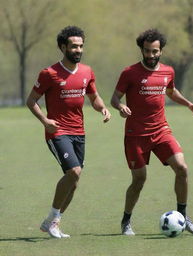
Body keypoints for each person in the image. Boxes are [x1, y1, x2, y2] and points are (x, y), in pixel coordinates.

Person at [111, 29, 193, 236]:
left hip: (161, 131)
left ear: (161, 51)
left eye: (155, 51)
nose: (151, 55)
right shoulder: (129, 73)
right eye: (147, 51)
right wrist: (120, 107)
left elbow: (170, 91)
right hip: (136, 135)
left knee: (182, 168)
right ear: (141, 50)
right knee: (139, 179)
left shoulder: (168, 71)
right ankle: (126, 221)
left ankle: (183, 216)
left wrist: (188, 104)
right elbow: (115, 98)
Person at [26, 26, 111, 238]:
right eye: (74, 46)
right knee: (74, 172)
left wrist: (103, 108)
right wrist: (45, 121)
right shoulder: (49, 74)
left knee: (74, 181)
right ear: (63, 47)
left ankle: (52, 222)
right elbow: (31, 101)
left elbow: (94, 97)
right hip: (57, 132)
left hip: (79, 133)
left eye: (81, 46)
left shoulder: (87, 72)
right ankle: (53, 218)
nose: (78, 50)